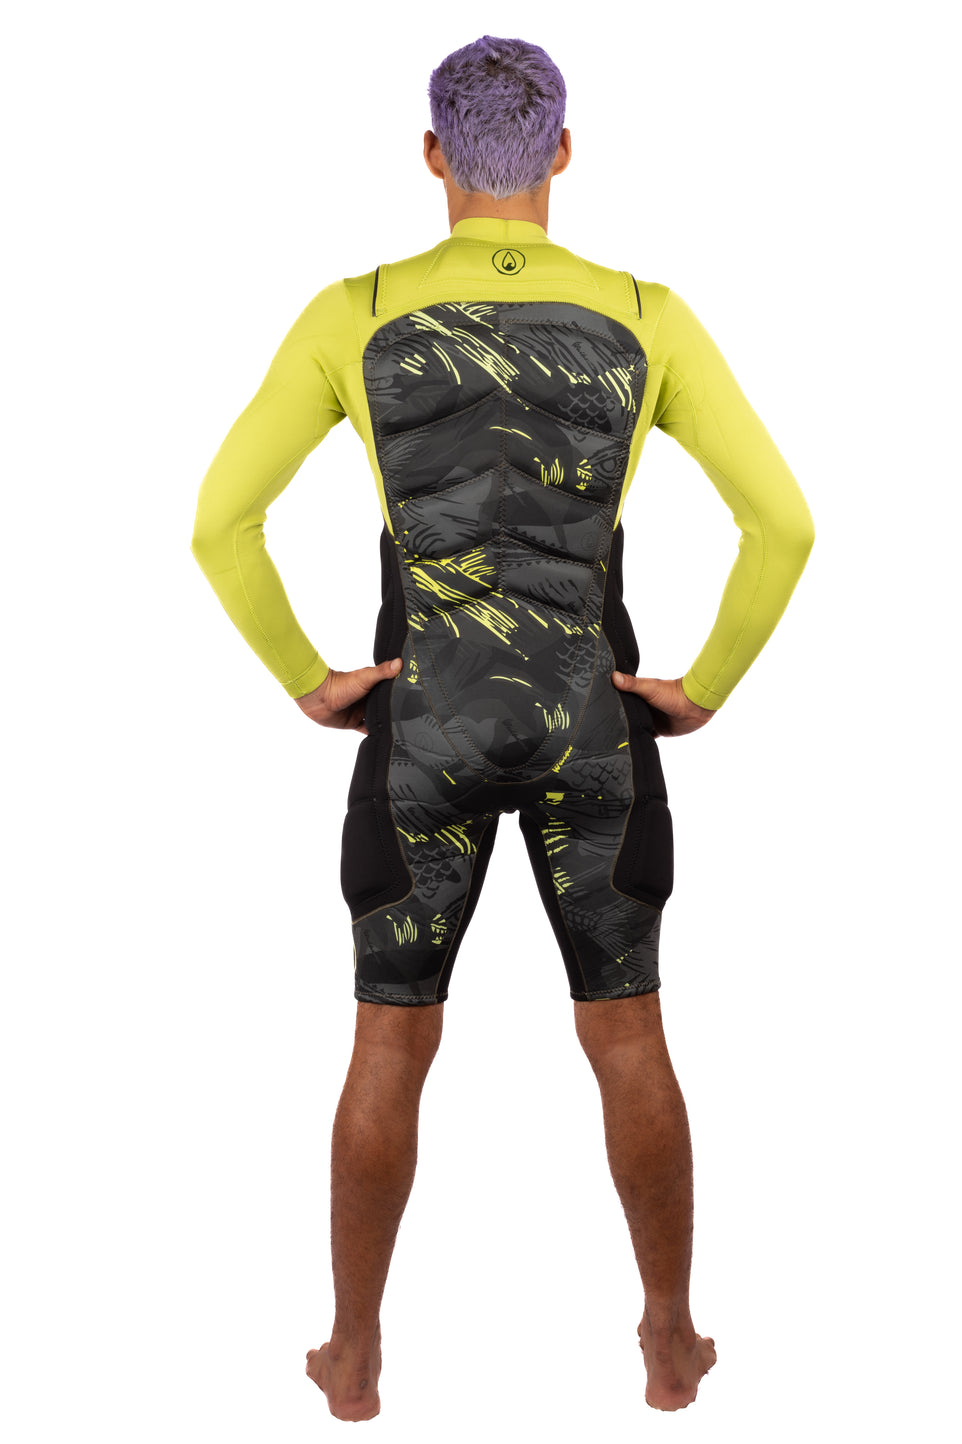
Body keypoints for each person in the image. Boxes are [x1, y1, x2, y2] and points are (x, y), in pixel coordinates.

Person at [190, 35, 814, 1420]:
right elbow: (783, 524)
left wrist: (308, 676)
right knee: (630, 1034)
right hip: (594, 719)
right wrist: (706, 684)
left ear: (434, 156)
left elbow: (219, 521)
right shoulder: (646, 315)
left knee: (388, 1044)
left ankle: (354, 1352)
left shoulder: (352, 314)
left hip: (423, 723)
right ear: (564, 153)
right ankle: (670, 1340)